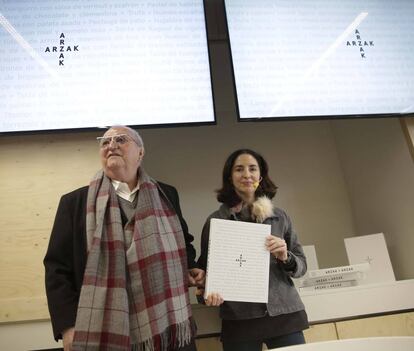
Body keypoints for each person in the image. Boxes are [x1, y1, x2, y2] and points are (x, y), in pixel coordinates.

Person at [44, 126, 204, 351]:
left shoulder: (167, 194)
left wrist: (190, 266)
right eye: (104, 142)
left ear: (140, 152)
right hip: (109, 330)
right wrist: (68, 326)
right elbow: (57, 269)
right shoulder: (75, 204)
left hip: (169, 325)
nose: (111, 145)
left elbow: (183, 242)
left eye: (120, 139)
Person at [197, 148, 309, 351]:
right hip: (239, 320)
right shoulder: (216, 221)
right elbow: (205, 272)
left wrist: (286, 256)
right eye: (239, 169)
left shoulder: (280, 216)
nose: (247, 175)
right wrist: (206, 291)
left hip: (284, 314)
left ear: (260, 175)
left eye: (252, 169)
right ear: (230, 177)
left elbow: (301, 266)